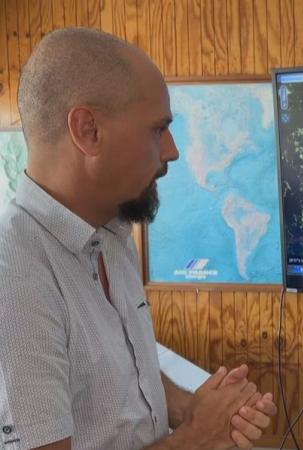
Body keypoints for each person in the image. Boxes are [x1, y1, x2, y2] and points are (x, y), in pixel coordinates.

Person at [0, 27, 276, 450]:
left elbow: (125, 367)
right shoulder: (13, 275)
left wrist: (192, 408)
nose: (172, 151)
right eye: (157, 129)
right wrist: (199, 437)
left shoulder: (111, 230)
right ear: (88, 130)